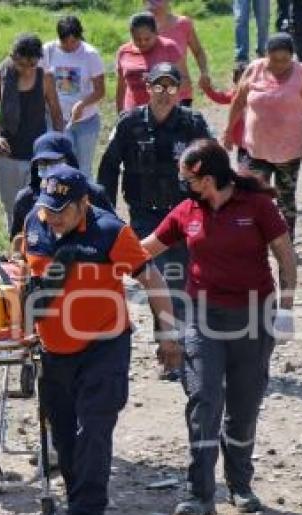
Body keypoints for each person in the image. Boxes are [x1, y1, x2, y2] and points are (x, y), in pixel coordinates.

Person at [24, 165, 182, 515]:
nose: (54, 217)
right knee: (63, 436)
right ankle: (75, 506)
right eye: (49, 209)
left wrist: (168, 335)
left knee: (94, 429)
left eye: (63, 210)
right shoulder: (36, 223)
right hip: (54, 349)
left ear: (84, 203)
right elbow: (28, 274)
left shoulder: (110, 232)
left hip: (103, 346)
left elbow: (152, 278)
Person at [140, 139, 297, 515]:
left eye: (188, 179)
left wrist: (286, 311)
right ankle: (199, 494)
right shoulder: (186, 212)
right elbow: (144, 249)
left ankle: (240, 484)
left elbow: (286, 258)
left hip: (253, 318)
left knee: (243, 407)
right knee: (203, 399)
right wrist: (100, 251)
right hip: (203, 319)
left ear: (207, 178)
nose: (184, 186)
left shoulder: (257, 206)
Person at [98, 62, 212, 379]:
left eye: (171, 87)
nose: (164, 94)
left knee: (184, 280)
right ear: (147, 88)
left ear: (180, 90)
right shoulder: (129, 124)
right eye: (158, 87)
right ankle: (168, 350)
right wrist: (103, 212)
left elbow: (213, 167)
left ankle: (187, 348)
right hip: (145, 216)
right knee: (155, 281)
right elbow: (108, 169)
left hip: (185, 214)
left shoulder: (192, 123)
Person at [224, 33, 302, 241]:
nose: (280, 65)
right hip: (256, 148)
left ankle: (287, 245)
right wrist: (228, 130)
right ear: (266, 55)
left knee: (285, 198)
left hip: (289, 149)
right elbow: (238, 101)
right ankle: (254, 243)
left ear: (292, 57)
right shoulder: (254, 69)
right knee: (252, 198)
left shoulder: (301, 72)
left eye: (285, 60)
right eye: (274, 60)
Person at [0, 33, 64, 229]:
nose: (27, 70)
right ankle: (15, 247)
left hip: (39, 156)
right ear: (13, 58)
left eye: (32, 65)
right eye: (21, 65)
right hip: (9, 155)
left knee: (39, 205)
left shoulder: (46, 78)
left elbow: (56, 114)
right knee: (12, 207)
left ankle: (37, 247)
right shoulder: (0, 77)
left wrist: (59, 146)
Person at [10, 131, 114, 240]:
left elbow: (112, 232)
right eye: (42, 163)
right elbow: (17, 241)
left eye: (53, 162)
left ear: (69, 161)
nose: (48, 168)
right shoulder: (25, 199)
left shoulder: (94, 194)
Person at [42, 15, 105, 179]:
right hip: (57, 119)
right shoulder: (47, 51)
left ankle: (84, 201)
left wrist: (82, 104)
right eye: (65, 42)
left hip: (86, 121)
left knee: (83, 168)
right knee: (59, 164)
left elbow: (100, 90)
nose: (70, 46)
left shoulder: (90, 54)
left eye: (74, 42)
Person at [115, 12, 191, 113]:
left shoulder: (169, 47)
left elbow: (185, 80)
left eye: (147, 39)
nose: (143, 43)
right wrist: (120, 113)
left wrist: (164, 93)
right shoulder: (123, 52)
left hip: (164, 112)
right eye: (137, 39)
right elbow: (121, 86)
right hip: (133, 113)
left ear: (156, 33)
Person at [146, 0, 213, 106]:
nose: (154, 3)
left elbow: (198, 51)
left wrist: (204, 72)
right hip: (152, 96)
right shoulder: (141, 28)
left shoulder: (183, 24)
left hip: (181, 94)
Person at [201, 62, 250, 165]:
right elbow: (219, 97)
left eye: (248, 80)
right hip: (242, 142)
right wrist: (207, 89)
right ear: (235, 82)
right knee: (243, 168)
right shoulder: (235, 95)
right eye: (240, 81)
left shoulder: (258, 97)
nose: (244, 84)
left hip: (257, 141)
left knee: (258, 169)